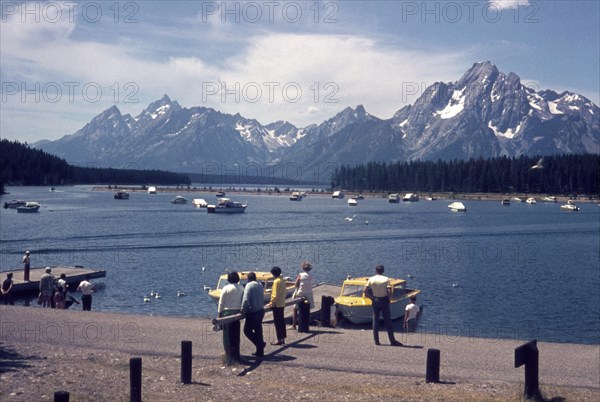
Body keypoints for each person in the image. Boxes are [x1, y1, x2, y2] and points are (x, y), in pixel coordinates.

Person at [364, 265, 402, 346]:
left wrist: (371, 298)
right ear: (383, 271)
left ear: (376, 270)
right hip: (384, 300)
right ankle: (392, 340)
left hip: (375, 300)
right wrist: (389, 299)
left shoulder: (371, 279)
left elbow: (365, 291)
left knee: (375, 321)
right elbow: (389, 291)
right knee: (388, 321)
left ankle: (376, 340)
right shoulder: (386, 279)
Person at [217, 271, 244, 362]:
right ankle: (236, 354)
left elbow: (221, 302)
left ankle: (228, 355)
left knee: (227, 335)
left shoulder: (226, 288)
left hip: (227, 313)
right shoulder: (241, 288)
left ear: (229, 279)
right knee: (235, 334)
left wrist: (219, 313)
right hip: (237, 313)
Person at [241, 272, 266, 357]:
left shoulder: (249, 285)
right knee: (258, 331)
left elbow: (245, 299)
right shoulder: (259, 284)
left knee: (247, 331)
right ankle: (260, 351)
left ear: (248, 278)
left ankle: (260, 344)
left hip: (253, 312)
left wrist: (242, 309)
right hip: (261, 310)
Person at [291, 261, 315, 330]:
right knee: (307, 309)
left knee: (295, 309)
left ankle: (294, 325)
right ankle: (307, 324)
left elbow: (296, 284)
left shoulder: (300, 275)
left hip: (301, 293)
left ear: (303, 268)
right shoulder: (311, 275)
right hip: (309, 293)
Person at [268, 266, 287, 345]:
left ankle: (279, 339)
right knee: (282, 321)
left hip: (277, 304)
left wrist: (271, 303)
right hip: (282, 303)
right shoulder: (282, 280)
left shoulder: (276, 281)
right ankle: (282, 338)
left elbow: (274, 295)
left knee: (277, 322)